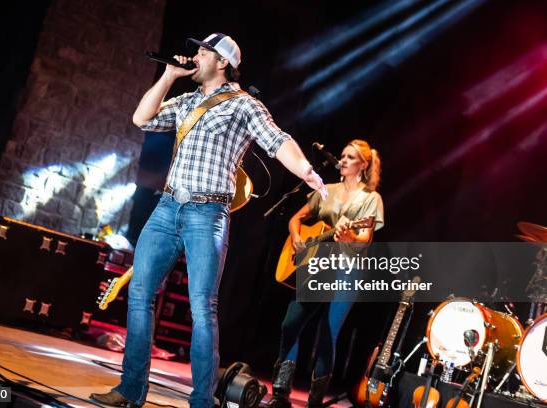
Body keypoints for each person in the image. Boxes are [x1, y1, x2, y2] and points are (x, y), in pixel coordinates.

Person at [90, 33, 327, 408]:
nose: (196, 55)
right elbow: (141, 119)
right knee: (139, 295)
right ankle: (130, 390)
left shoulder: (244, 105)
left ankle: (202, 401)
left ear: (223, 62)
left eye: (204, 51)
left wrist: (307, 172)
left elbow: (278, 140)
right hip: (167, 207)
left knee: (202, 306)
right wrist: (168, 77)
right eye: (197, 49)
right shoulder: (186, 100)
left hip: (208, 212)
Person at [267, 139, 384, 408]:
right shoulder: (326, 190)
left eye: (350, 157)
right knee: (291, 323)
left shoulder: (370, 199)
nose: (342, 160)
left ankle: (315, 399)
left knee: (326, 333)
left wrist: (348, 235)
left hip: (348, 270)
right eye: (342, 155)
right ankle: (281, 391)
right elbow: (296, 218)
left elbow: (363, 239)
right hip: (318, 266)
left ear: (363, 165)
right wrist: (297, 237)